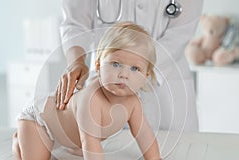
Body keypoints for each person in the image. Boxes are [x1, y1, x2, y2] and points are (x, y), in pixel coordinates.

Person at [12, 22, 180, 160]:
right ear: (98, 66)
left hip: (72, 134)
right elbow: (90, 140)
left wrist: (154, 159)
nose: (123, 74)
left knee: (80, 147)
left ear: (145, 76)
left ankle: (65, 143)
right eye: (115, 64)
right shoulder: (91, 99)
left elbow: (143, 132)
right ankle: (19, 139)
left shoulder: (133, 102)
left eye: (135, 68)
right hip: (40, 119)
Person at [56, 0, 203, 132]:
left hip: (166, 85)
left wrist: (132, 68)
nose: (124, 75)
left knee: (177, 155)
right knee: (103, 148)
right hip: (104, 85)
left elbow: (179, 34)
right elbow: (75, 22)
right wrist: (76, 62)